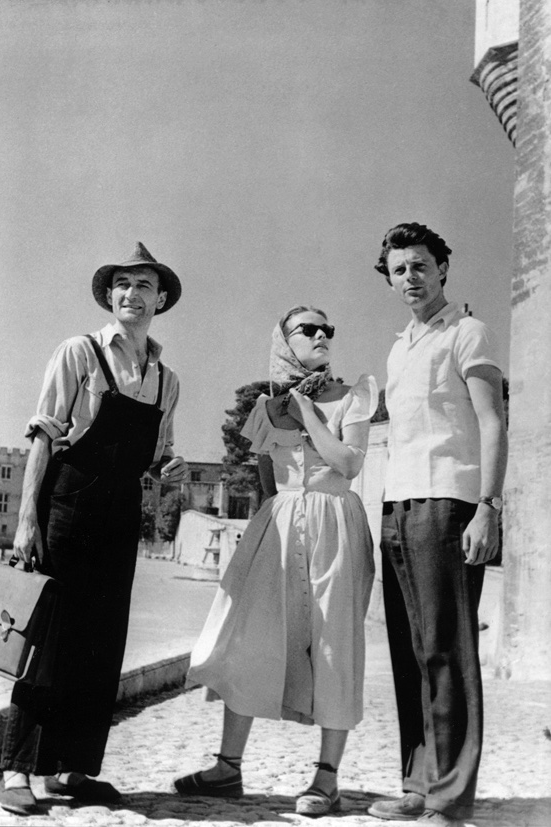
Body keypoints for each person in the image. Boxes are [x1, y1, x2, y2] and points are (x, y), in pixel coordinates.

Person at [0, 242, 188, 816]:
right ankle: (16, 769)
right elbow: (43, 436)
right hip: (67, 503)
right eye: (123, 284)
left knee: (102, 644)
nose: (133, 294)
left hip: (120, 514)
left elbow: (157, 455)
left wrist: (168, 469)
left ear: (160, 301)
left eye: (144, 286)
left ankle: (70, 771)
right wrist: (27, 520)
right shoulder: (78, 352)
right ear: (110, 295)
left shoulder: (166, 378)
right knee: (49, 641)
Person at [174, 305, 378, 816]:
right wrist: (272, 528)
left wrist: (309, 412)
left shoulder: (353, 396)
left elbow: (349, 463)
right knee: (249, 636)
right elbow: (267, 478)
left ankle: (326, 778)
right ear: (284, 341)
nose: (321, 335)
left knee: (334, 642)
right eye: (307, 329)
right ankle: (227, 769)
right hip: (279, 526)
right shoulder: (264, 410)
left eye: (327, 328)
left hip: (335, 523)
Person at [368, 224, 508, 827]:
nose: (411, 278)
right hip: (398, 504)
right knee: (409, 651)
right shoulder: (400, 347)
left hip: (448, 502)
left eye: (421, 266)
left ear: (443, 268)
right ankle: (418, 783)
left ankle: (451, 797)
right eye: (399, 270)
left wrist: (488, 506)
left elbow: (492, 420)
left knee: (447, 650)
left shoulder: (468, 332)